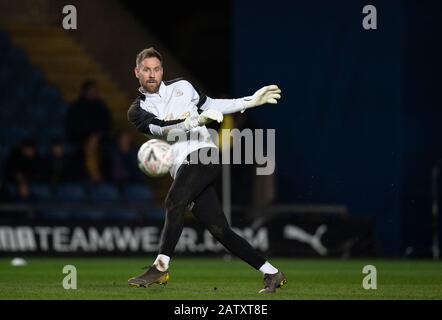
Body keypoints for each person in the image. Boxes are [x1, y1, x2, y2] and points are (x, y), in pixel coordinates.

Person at [126, 47, 285, 293]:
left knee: (173, 202)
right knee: (219, 229)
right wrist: (195, 121)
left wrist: (250, 101)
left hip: (204, 154)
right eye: (146, 69)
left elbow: (213, 105)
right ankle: (272, 273)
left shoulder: (184, 86)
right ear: (137, 72)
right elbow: (162, 129)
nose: (152, 74)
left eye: (156, 69)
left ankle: (160, 267)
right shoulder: (137, 111)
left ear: (162, 71)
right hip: (183, 167)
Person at [65, 80, 112, 147]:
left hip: (100, 139)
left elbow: (107, 124)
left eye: (95, 91)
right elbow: (73, 127)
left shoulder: (101, 106)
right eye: (90, 90)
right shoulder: (76, 107)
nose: (93, 93)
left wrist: (98, 136)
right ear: (84, 91)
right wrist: (88, 137)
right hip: (80, 140)